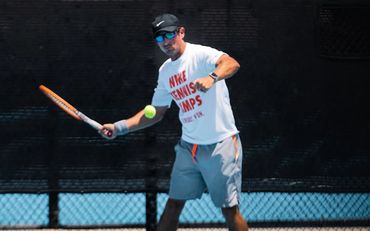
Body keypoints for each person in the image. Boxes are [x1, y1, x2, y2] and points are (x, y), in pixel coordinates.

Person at [100, 13, 248, 231]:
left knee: (229, 210)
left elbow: (231, 63)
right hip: (189, 149)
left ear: (181, 32)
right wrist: (119, 127)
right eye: (160, 38)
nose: (166, 42)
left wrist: (211, 78)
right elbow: (155, 113)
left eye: (170, 35)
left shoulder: (201, 54)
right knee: (173, 205)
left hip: (221, 145)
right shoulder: (166, 72)